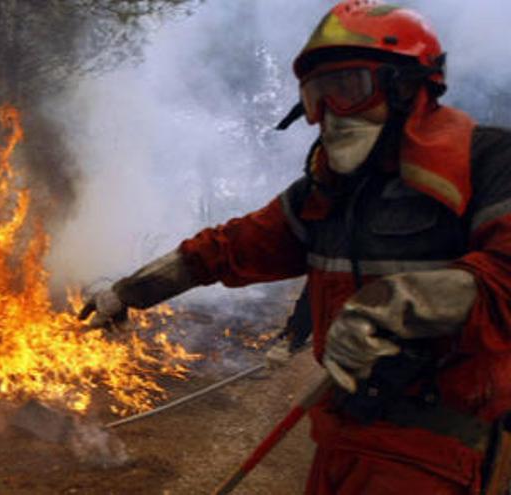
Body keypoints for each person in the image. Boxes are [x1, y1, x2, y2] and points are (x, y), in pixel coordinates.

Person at [78, 1, 511, 493]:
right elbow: (228, 248)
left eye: (348, 89)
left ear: (406, 85)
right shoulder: (326, 192)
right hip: (343, 434)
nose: (330, 113)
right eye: (316, 95)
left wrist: (391, 308)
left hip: (439, 451)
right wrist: (128, 293)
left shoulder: (487, 162)